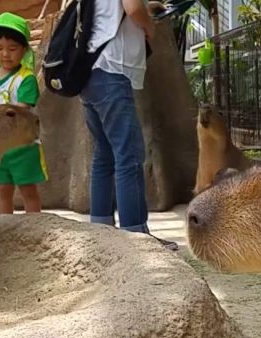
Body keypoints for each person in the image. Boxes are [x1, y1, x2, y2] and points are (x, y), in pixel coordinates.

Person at [82, 0, 177, 250]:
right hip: (112, 71)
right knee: (129, 156)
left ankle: (101, 231)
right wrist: (149, 27)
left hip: (89, 73)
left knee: (104, 154)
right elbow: (133, 8)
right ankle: (137, 238)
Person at [0, 12, 47, 214]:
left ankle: (34, 227)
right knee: (3, 189)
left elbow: (24, 108)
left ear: (24, 49)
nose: (5, 54)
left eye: (12, 48)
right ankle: (5, 228)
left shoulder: (25, 78)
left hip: (22, 147)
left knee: (27, 189)